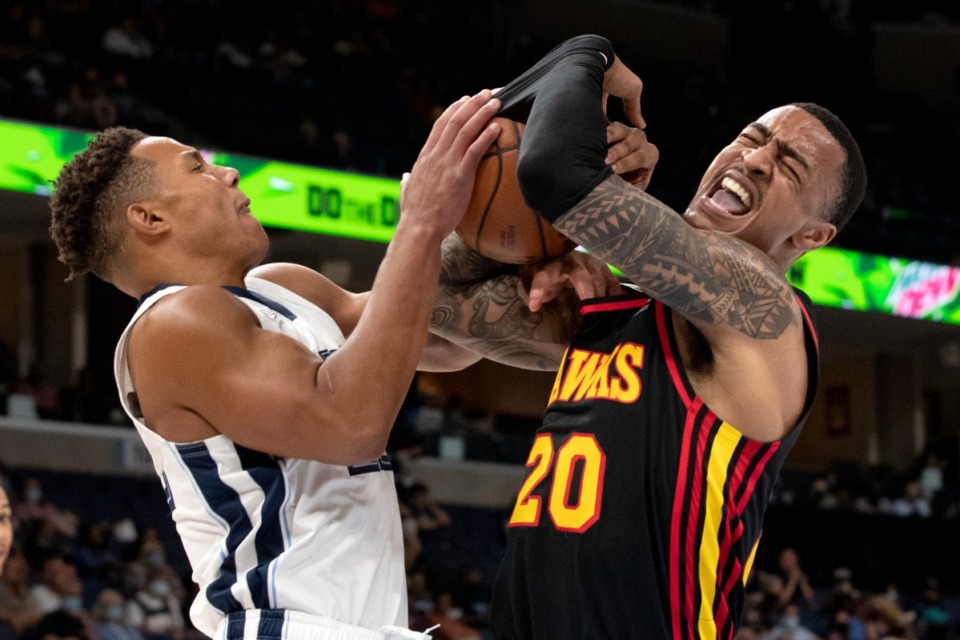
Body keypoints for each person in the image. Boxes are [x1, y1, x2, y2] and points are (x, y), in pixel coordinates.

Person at [47, 88, 644, 640]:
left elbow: (439, 335)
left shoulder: (282, 289)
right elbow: (352, 424)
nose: (227, 171)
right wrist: (421, 221)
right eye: (197, 166)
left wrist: (569, 222)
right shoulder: (173, 325)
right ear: (150, 218)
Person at [441, 34, 865, 639]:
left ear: (814, 236)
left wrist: (586, 55)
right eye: (750, 138)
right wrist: (533, 245)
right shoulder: (613, 306)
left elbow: (553, 170)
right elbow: (430, 300)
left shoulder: (765, 311)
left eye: (788, 166)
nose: (756, 159)